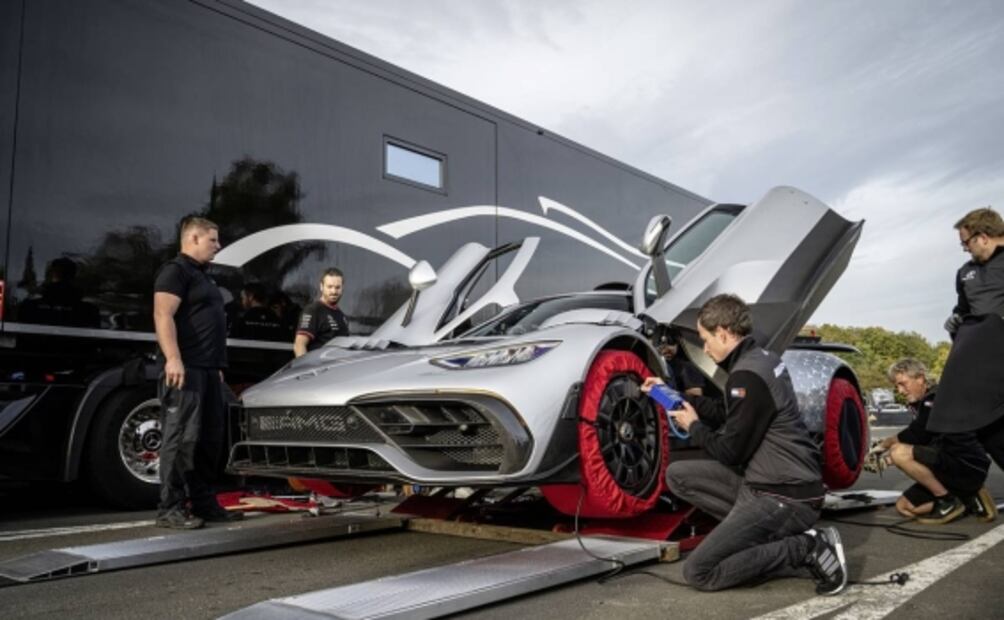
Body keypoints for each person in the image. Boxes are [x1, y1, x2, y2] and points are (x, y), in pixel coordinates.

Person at [642, 294, 847, 595]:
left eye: (704, 338)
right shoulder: (762, 360)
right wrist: (671, 394)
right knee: (678, 475)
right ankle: (760, 536)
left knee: (700, 572)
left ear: (722, 333)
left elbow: (730, 452)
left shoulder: (746, 376)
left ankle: (806, 547)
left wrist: (694, 427)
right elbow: (728, 412)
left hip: (786, 498)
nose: (704, 347)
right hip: (766, 484)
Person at [153, 216, 243, 529]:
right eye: (213, 240)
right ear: (193, 238)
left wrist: (216, 368)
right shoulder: (175, 271)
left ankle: (204, 504)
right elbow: (163, 315)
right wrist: (173, 358)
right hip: (186, 369)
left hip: (208, 371)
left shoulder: (203, 277)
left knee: (210, 440)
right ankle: (170, 508)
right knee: (181, 439)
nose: (218, 246)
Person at [871, 358, 994, 523]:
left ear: (920, 378)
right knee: (905, 507)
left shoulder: (937, 397)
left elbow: (918, 435)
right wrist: (885, 461)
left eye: (903, 384)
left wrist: (882, 446)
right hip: (945, 466)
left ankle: (947, 501)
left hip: (966, 465)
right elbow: (923, 445)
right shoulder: (922, 403)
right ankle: (966, 499)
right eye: (897, 386)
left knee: (898, 451)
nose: (900, 390)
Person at [928, 207, 1004, 474]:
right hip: (981, 360)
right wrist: (955, 318)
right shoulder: (965, 273)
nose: (965, 250)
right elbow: (963, 308)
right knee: (982, 425)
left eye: (966, 243)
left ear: (983, 237)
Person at [294, 267, 350, 357]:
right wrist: (307, 369)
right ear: (321, 287)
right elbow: (299, 345)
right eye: (330, 287)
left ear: (342, 288)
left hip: (337, 368)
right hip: (319, 368)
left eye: (337, 287)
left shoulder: (342, 316)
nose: (334, 291)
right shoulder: (313, 311)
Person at [655, 330, 705, 396]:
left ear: (678, 343)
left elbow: (695, 397)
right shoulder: (655, 364)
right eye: (661, 344)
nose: (666, 349)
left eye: (671, 343)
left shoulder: (688, 367)